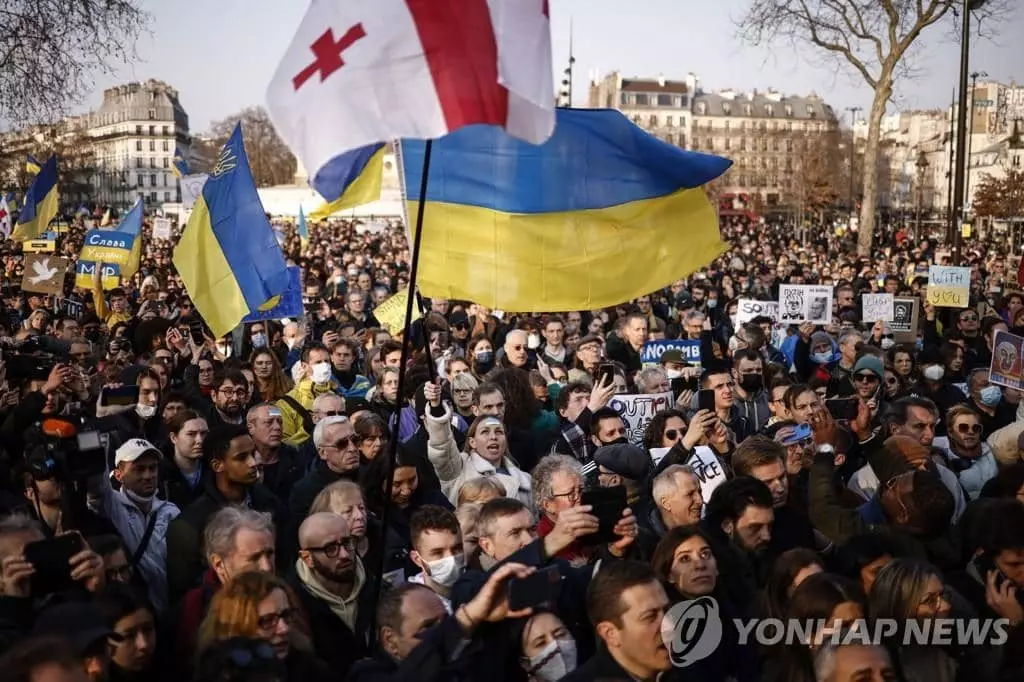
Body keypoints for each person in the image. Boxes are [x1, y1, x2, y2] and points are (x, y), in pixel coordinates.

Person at [165, 425, 286, 600]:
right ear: (218, 465)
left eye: (253, 454)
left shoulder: (270, 503)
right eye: (242, 457)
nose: (253, 463)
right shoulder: (191, 524)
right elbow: (186, 592)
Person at [90, 438, 180, 613]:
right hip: (131, 610)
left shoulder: (171, 512)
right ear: (119, 475)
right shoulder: (112, 506)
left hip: (170, 610)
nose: (148, 475)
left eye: (152, 468)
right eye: (139, 469)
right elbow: (97, 488)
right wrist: (95, 448)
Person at [197, 571, 331, 682]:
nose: (284, 629)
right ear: (238, 625)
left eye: (286, 615)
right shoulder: (214, 674)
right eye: (267, 621)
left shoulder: (314, 673)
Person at [287, 512, 373, 678]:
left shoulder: (376, 585)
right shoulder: (292, 605)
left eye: (347, 543)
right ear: (307, 558)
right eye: (330, 549)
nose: (345, 555)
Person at [562, 561, 672, 682]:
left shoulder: (690, 669)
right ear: (610, 633)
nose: (669, 626)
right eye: (650, 617)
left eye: (667, 610)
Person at [289, 415, 360, 521]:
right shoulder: (306, 491)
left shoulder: (372, 476)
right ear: (323, 453)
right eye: (341, 444)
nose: (352, 448)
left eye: (355, 440)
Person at [407, 505, 465, 613]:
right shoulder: (409, 608)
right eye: (438, 552)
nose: (451, 559)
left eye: (457, 549)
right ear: (417, 559)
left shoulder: (478, 590)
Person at [245, 404, 305, 501]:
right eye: (269, 422)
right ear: (251, 428)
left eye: (280, 422)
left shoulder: (296, 457)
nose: (277, 427)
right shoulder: (241, 461)